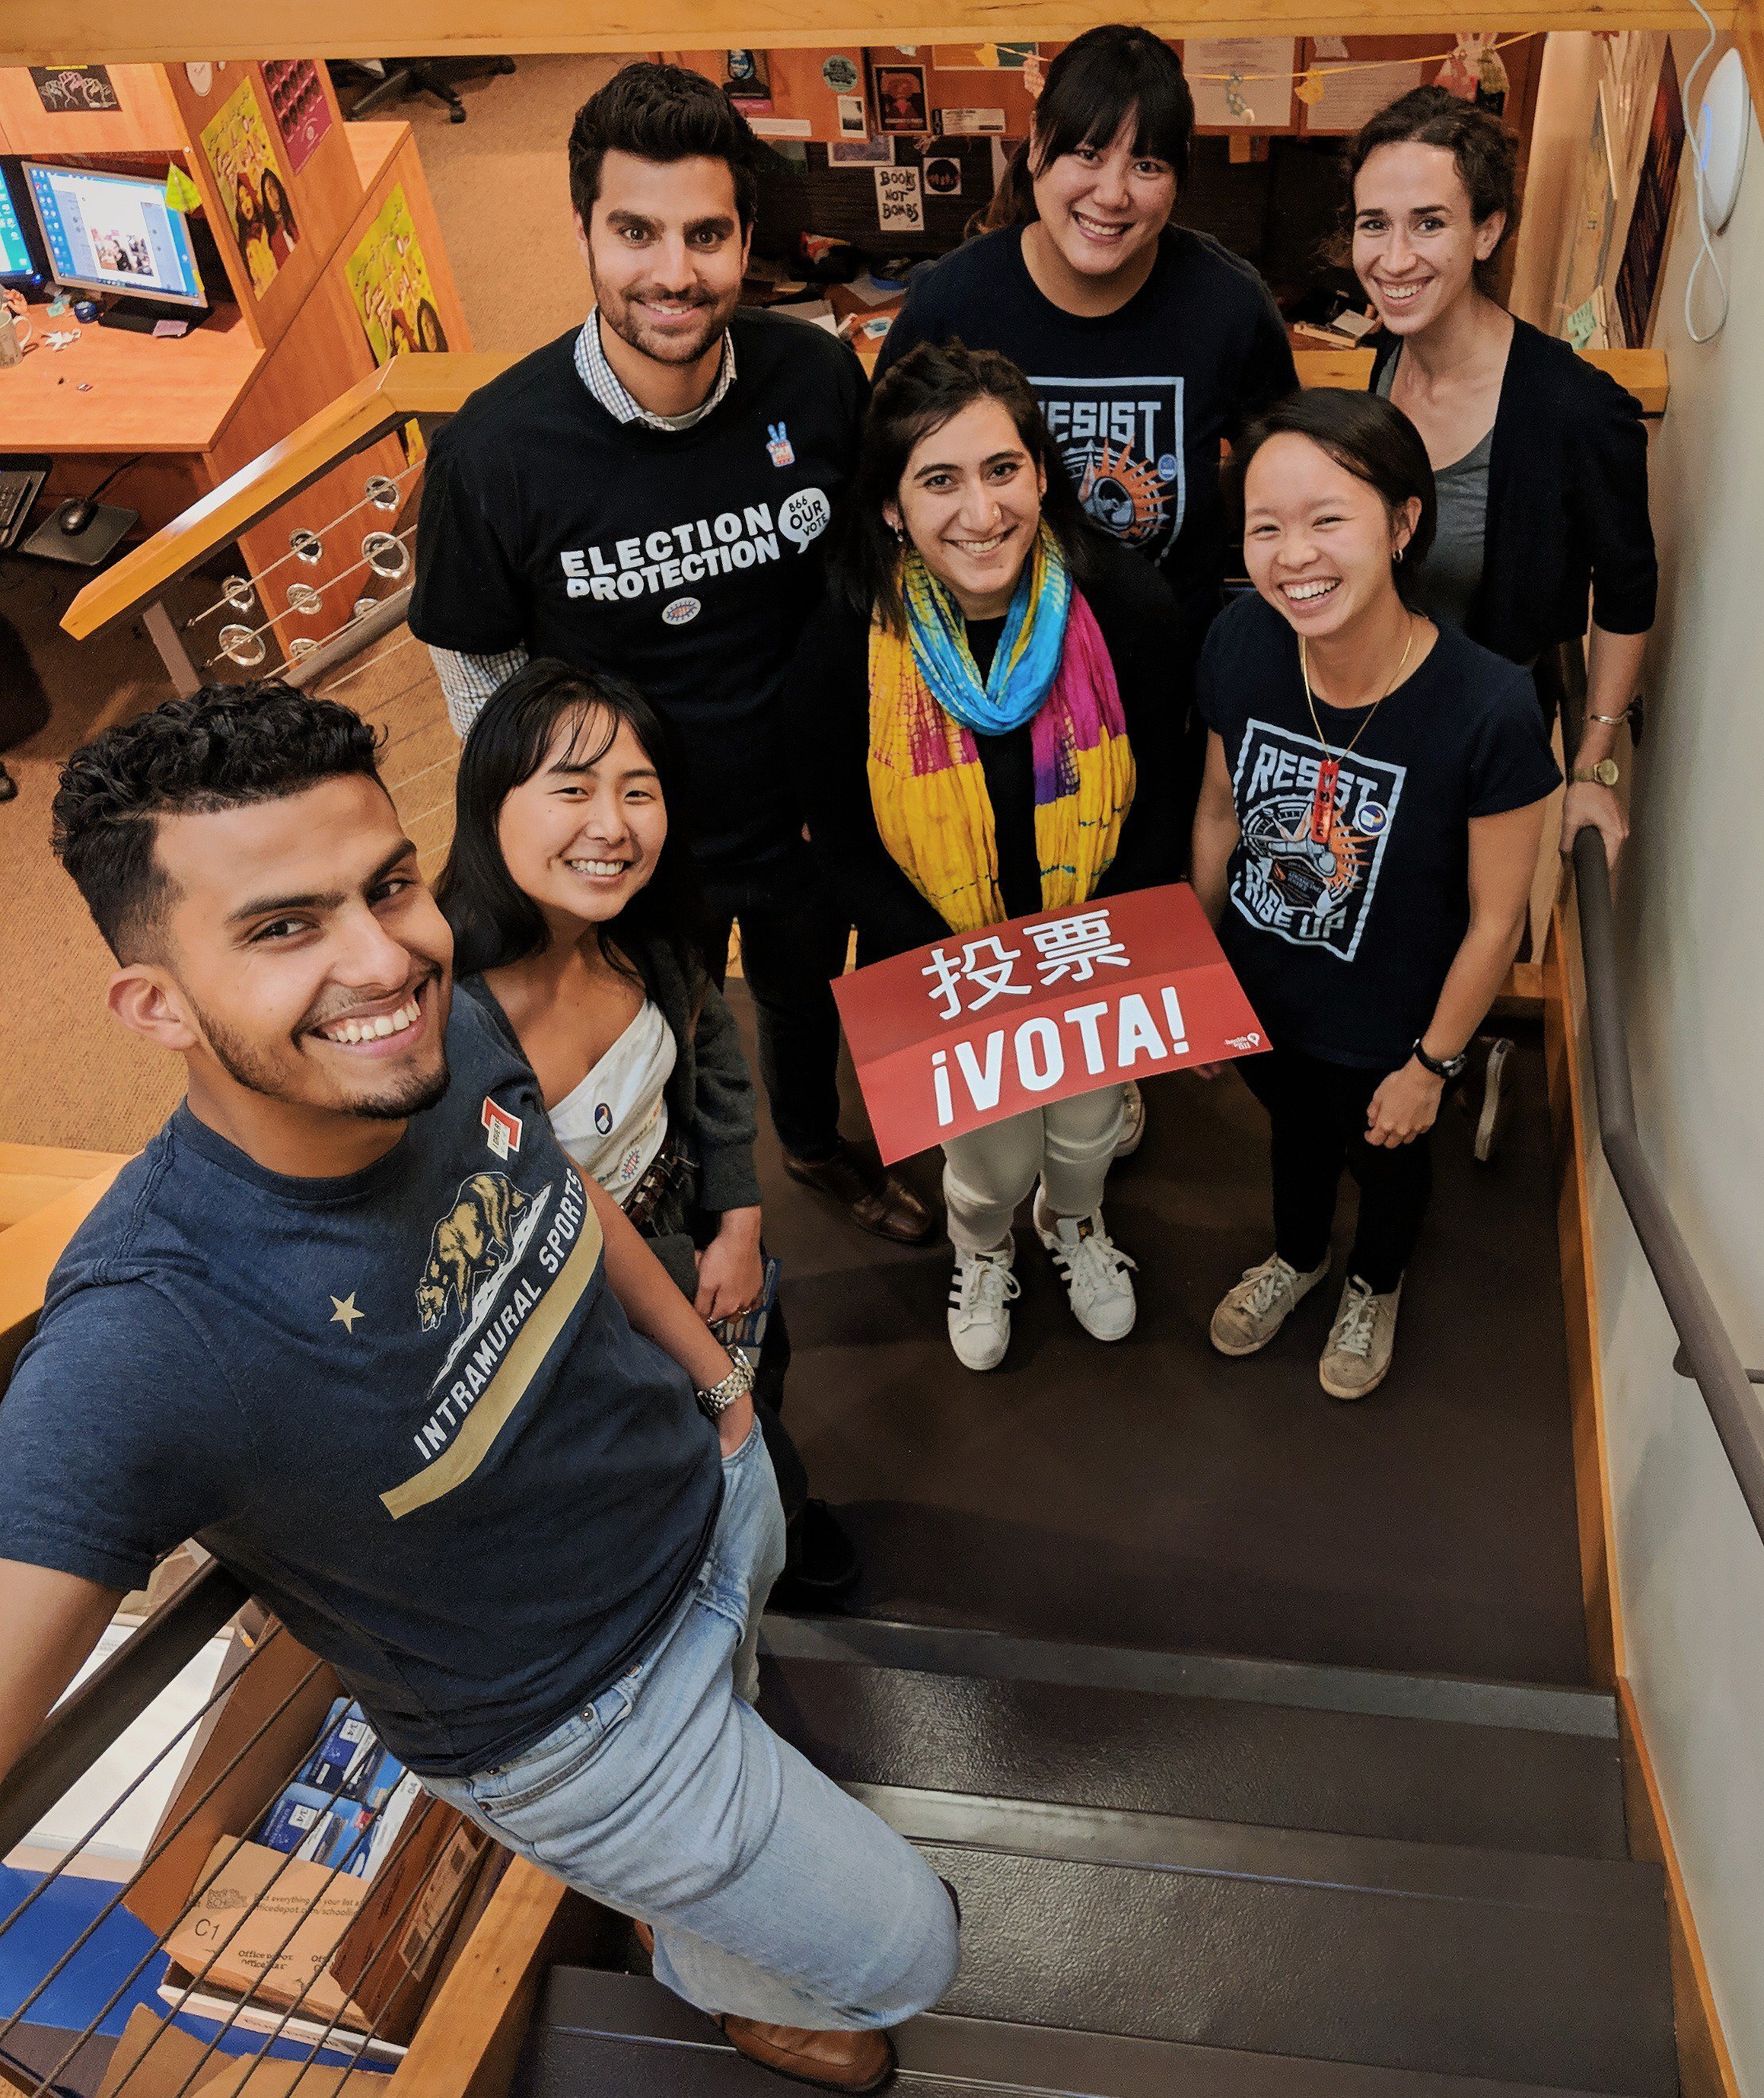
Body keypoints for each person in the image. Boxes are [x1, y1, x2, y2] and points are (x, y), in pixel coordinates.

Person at [0, 684, 958, 2096]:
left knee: (760, 1738)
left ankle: (691, 1924)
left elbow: (561, 1189)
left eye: (389, 885)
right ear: (153, 1004)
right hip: (578, 1730)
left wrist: (720, 1391)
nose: (385, 960)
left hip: (703, 1505)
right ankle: (703, 1958)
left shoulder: (447, 1040)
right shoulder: (139, 1336)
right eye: (282, 926)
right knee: (905, 1949)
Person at [409, 60, 931, 1247]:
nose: (673, 272)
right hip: (632, 844)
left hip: (808, 814)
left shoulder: (814, 376)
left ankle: (813, 1146)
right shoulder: (496, 450)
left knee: (805, 1005)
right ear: (585, 228)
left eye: (707, 234)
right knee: (659, 1046)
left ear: (750, 238)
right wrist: (561, 834)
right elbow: (476, 670)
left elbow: (866, 580)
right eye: (635, 231)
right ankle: (700, 1213)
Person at [788, 343, 1184, 1371]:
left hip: (1094, 945)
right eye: (939, 480)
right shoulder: (846, 639)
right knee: (988, 1160)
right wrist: (962, 965)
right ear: (889, 508)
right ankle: (984, 1246)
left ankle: (1079, 1228)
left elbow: (1169, 795)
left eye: (1002, 470)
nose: (980, 511)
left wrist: (1096, 936)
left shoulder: (1127, 608)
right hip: (948, 960)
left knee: (1088, 1135)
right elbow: (836, 833)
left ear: (1041, 475)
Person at [435, 657, 857, 1606]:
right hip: (570, 1309)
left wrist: (740, 1219)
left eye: (639, 790)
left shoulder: (644, 928)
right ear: (488, 800)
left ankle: (772, 1509)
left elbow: (710, 1052)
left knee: (755, 1385)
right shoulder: (440, 1025)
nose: (612, 827)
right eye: (571, 789)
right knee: (660, 1455)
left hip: (694, 1228)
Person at [1191, 391, 1559, 1399]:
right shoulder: (1239, 641)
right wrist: (1198, 983)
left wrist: (1431, 1064)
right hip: (1267, 1000)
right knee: (1294, 1141)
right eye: (1264, 527)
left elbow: (1495, 919)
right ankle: (1299, 1255)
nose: (1291, 554)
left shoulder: (1489, 707)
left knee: (1388, 1164)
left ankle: (1371, 1279)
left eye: (1326, 519)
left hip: (1396, 1028)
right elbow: (1220, 811)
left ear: (1401, 523)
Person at [876, 28, 1297, 640]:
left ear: (1179, 175)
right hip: (989, 674)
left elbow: (1288, 481)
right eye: (1088, 153)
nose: (1112, 194)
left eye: (1147, 164)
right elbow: (883, 473)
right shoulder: (954, 298)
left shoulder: (1226, 302)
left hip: (1165, 675)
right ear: (1037, 141)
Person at [1345, 86, 1655, 872]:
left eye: (1428, 223)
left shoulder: (1572, 410)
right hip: (1357, 734)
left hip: (1467, 762)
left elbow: (1625, 594)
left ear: (1487, 231)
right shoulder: (1381, 363)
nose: (1392, 258)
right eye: (1372, 224)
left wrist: (1592, 764)